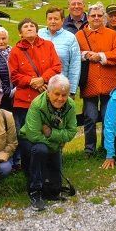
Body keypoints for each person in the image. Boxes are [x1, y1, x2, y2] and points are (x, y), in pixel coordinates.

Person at [19, 75, 77, 211]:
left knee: (55, 188)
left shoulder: (70, 105)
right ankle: (35, 192)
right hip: (29, 140)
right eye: (56, 94)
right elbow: (33, 135)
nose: (60, 98)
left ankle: (48, 189)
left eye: (64, 95)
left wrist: (51, 133)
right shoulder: (37, 104)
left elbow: (71, 132)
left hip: (51, 140)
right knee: (41, 150)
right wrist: (57, 143)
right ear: (48, 92)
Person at [76, 3, 116, 158]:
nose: (96, 18)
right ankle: (89, 149)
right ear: (88, 17)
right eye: (93, 15)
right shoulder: (79, 35)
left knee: (107, 117)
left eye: (99, 15)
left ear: (104, 17)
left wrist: (101, 56)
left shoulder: (111, 34)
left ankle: (106, 146)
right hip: (89, 82)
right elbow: (74, 54)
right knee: (89, 117)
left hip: (109, 82)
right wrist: (85, 55)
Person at [9, 18, 62, 156]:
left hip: (47, 98)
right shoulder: (15, 51)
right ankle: (29, 168)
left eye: (32, 25)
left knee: (48, 131)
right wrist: (33, 81)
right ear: (20, 33)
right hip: (25, 102)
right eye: (25, 26)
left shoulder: (48, 45)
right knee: (27, 136)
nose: (29, 27)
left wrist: (43, 79)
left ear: (37, 30)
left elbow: (56, 67)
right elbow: (14, 76)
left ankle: (51, 166)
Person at [39, 7, 82, 96]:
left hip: (61, 88)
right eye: (50, 19)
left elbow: (75, 65)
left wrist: (72, 90)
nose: (53, 21)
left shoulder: (70, 38)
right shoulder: (39, 34)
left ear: (62, 20)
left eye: (56, 19)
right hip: (40, 87)